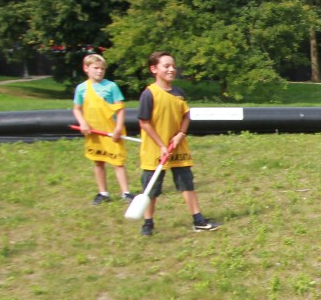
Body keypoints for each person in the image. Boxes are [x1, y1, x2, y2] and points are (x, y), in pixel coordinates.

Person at [136, 51, 220, 236]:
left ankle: (198, 220)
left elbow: (185, 115)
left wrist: (181, 134)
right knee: (152, 189)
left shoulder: (179, 93)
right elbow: (144, 123)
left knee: (186, 183)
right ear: (154, 69)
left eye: (173, 66)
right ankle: (148, 223)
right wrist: (161, 145)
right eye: (166, 66)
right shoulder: (149, 94)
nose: (171, 69)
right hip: (155, 149)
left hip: (178, 147)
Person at [72, 53, 134, 205]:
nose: (99, 71)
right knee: (98, 162)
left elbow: (120, 109)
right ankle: (103, 193)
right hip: (94, 132)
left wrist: (118, 128)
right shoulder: (81, 88)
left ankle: (126, 193)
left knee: (118, 162)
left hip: (111, 131)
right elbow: (77, 109)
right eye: (96, 68)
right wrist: (83, 123)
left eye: (102, 69)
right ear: (86, 68)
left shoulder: (111, 87)